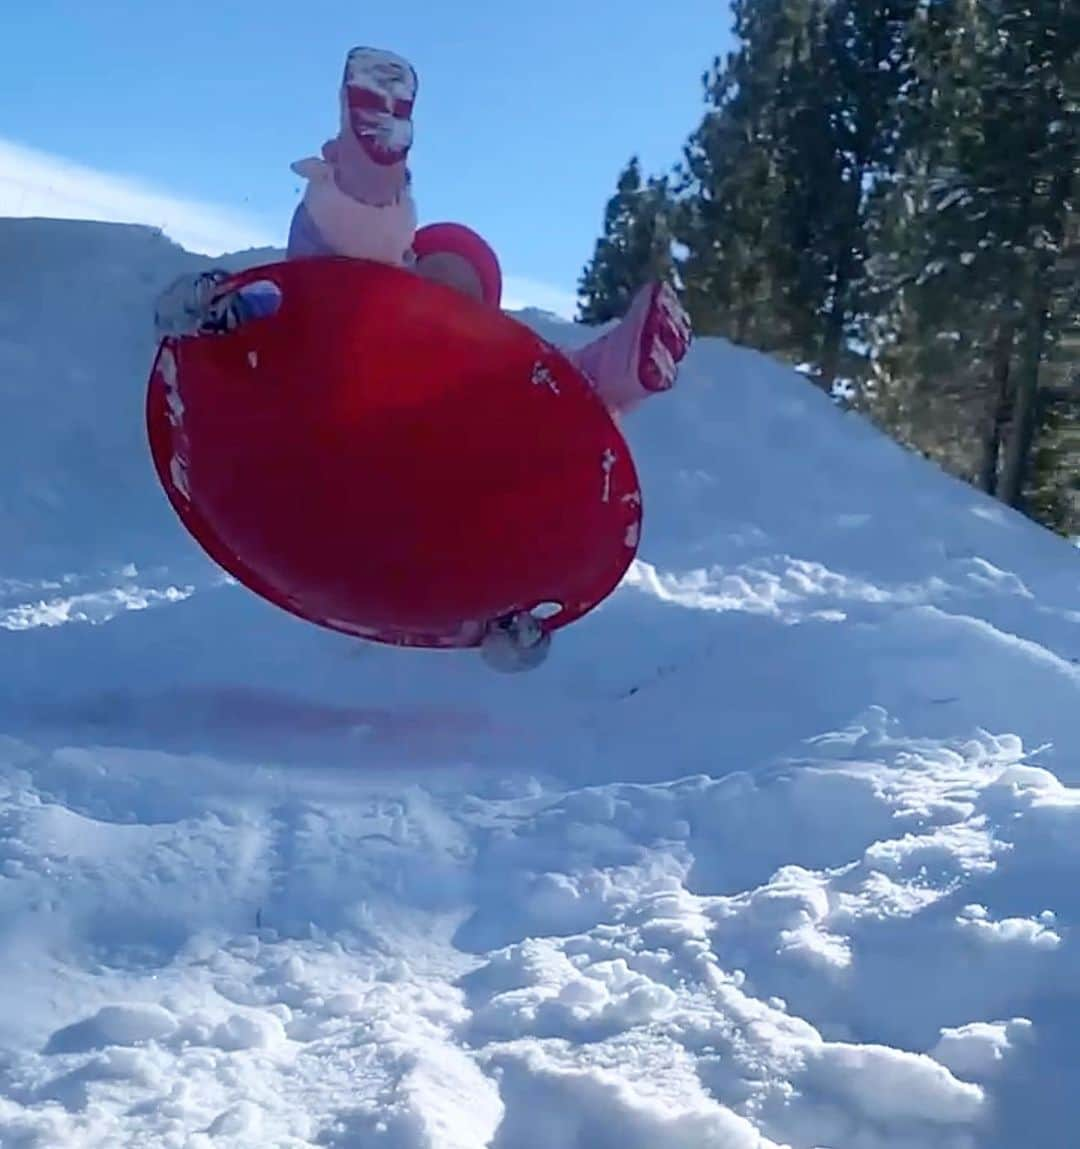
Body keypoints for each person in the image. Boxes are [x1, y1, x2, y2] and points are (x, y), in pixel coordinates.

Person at [154, 45, 692, 673]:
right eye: (428, 277)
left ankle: (627, 365)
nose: (440, 301)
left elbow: (538, 479)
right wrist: (207, 313)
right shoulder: (346, 306)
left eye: (463, 299)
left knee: (556, 400)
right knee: (343, 264)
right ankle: (371, 170)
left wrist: (514, 609)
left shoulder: (485, 390)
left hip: (418, 508)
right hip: (318, 423)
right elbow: (263, 336)